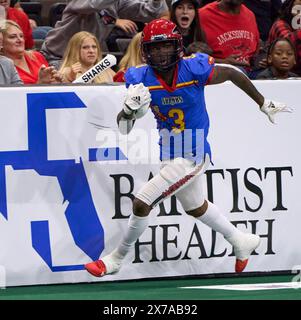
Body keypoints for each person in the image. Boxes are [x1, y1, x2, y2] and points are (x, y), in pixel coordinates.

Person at [84, 19, 291, 277]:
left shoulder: (193, 69)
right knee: (195, 207)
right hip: (169, 150)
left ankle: (115, 259)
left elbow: (233, 73)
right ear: (146, 50)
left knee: (141, 203)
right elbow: (124, 129)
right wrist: (128, 111)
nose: (160, 53)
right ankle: (240, 239)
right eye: (154, 48)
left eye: (165, 46)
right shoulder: (139, 78)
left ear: (177, 46)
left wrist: (262, 102)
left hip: (193, 152)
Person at [40, 0, 169, 67]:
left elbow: (151, 13)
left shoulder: (116, 3)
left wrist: (157, 1)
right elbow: (92, 5)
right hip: (57, 57)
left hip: (88, 61)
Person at [198, 0, 260, 75]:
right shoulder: (202, 16)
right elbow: (192, 59)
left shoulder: (250, 15)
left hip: (252, 74)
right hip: (216, 75)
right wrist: (225, 62)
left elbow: (256, 48)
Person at [0, 20, 62, 84]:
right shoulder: (4, 66)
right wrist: (40, 83)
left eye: (21, 36)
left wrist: (56, 82)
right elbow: (17, 93)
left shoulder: (36, 56)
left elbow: (50, 81)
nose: (20, 40)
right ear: (1, 42)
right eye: (12, 37)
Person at [268, 0, 301, 76]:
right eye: (298, 9)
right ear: (288, 9)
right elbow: (291, 43)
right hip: (278, 75)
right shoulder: (279, 25)